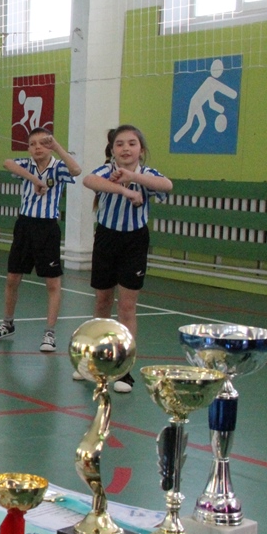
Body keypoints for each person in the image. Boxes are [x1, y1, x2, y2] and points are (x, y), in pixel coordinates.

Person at [76, 124, 173, 393]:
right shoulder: (107, 172)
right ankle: (94, 359)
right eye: (120, 144)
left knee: (127, 307)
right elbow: (88, 181)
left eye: (132, 143)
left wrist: (135, 179)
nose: (126, 148)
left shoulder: (147, 175)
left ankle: (123, 367)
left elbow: (167, 185)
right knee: (102, 300)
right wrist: (125, 190)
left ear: (141, 150)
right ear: (112, 150)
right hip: (107, 239)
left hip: (134, 242)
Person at [0, 129, 81, 351]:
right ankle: (7, 323)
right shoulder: (26, 165)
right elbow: (7, 163)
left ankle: (49, 333)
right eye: (32, 144)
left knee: (52, 282)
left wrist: (57, 146)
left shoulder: (57, 167)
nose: (37, 147)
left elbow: (76, 169)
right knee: (12, 277)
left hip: (47, 228)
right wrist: (35, 179)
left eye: (43, 143)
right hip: (25, 226)